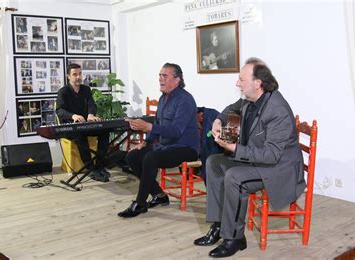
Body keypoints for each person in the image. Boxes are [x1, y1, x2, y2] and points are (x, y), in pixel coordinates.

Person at [193, 57, 306, 257]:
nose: (237, 83)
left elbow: (271, 155)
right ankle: (219, 226)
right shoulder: (250, 98)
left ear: (258, 83)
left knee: (235, 177)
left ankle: (234, 238)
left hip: (278, 168)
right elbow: (230, 109)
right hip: (258, 160)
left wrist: (234, 148)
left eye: (241, 80)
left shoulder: (277, 109)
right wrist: (218, 121)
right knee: (213, 163)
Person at [117, 63, 199, 218]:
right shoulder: (163, 98)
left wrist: (147, 126)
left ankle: (140, 203)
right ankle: (159, 195)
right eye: (160, 75)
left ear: (177, 80)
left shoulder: (185, 100)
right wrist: (146, 142)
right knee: (132, 156)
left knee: (150, 158)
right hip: (166, 146)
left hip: (186, 148)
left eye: (165, 76)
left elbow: (176, 131)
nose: (160, 79)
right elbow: (158, 125)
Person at [56, 63, 110, 182]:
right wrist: (73, 116)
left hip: (86, 125)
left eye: (80, 74)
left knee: (105, 132)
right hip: (71, 128)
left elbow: (91, 104)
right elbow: (59, 110)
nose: (78, 77)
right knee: (80, 135)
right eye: (74, 74)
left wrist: (91, 114)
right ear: (68, 76)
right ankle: (90, 169)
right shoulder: (63, 92)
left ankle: (99, 166)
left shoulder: (86, 89)